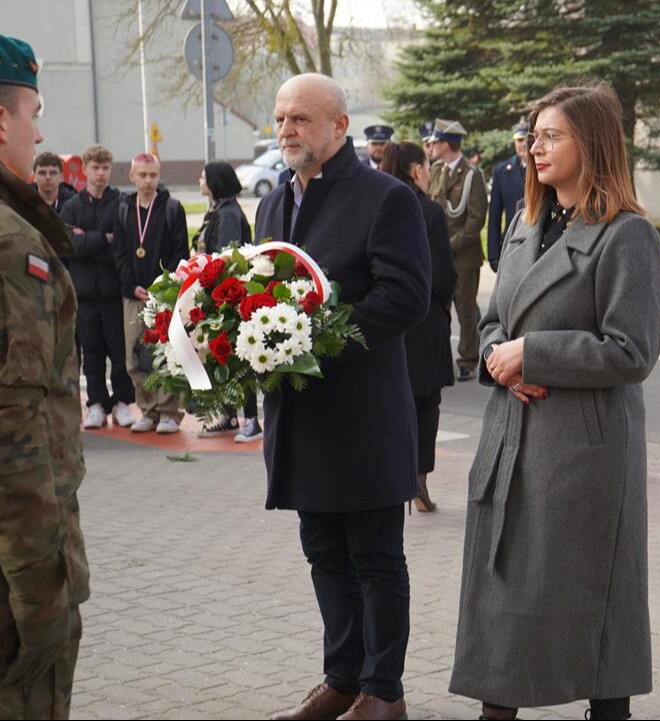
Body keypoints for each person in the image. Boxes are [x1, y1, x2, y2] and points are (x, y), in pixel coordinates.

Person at [449, 79, 660, 721]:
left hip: (582, 452)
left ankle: (609, 709)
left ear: (592, 143)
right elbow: (496, 318)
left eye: (550, 136)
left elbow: (632, 351)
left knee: (590, 598)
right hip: (510, 436)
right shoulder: (524, 222)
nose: (533, 148)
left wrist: (533, 353)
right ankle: (498, 708)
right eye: (533, 136)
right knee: (503, 591)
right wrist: (500, 358)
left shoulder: (627, 236)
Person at [256, 74, 429, 721]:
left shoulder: (386, 199)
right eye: (280, 119)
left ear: (339, 125)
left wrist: (319, 338)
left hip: (363, 414)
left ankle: (385, 691)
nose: (286, 130)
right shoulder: (275, 204)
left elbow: (406, 296)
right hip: (301, 418)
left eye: (300, 118)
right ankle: (342, 676)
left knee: (376, 556)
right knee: (323, 549)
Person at [0, 33, 89, 720]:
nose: (39, 131)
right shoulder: (12, 243)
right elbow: (14, 422)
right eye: (34, 112)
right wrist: (39, 587)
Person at [380, 140, 457, 513]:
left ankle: (391, 478)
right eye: (425, 165)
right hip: (423, 320)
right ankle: (419, 481)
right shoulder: (427, 211)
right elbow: (443, 274)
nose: (428, 172)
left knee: (392, 400)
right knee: (426, 402)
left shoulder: (375, 203)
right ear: (415, 170)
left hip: (386, 320)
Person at [111, 152, 188, 434]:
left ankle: (168, 411)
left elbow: (181, 252)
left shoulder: (171, 208)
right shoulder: (123, 209)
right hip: (133, 295)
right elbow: (119, 252)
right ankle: (147, 410)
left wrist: (163, 287)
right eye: (142, 175)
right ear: (132, 176)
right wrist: (131, 285)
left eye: (152, 175)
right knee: (135, 355)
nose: (147, 180)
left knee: (166, 353)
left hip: (163, 295)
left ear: (159, 174)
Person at [62, 144, 136, 430]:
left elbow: (121, 245)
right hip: (84, 294)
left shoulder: (120, 204)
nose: (101, 173)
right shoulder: (72, 206)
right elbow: (70, 246)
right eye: (96, 167)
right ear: (85, 169)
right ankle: (95, 404)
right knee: (91, 352)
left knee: (119, 352)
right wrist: (101, 239)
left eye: (105, 168)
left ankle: (121, 403)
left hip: (113, 292)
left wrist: (90, 241)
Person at [193, 161, 261, 442]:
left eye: (203, 177)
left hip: (230, 296)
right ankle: (230, 416)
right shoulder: (218, 210)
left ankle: (251, 421)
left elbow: (226, 256)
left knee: (238, 358)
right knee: (224, 356)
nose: (199, 181)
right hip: (217, 295)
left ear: (215, 182)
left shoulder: (229, 214)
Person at [427, 118, 487, 382]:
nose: (431, 146)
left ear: (446, 144)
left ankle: (467, 360)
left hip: (463, 255)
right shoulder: (437, 170)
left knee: (464, 308)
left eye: (436, 141)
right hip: (441, 254)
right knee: (440, 307)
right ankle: (441, 357)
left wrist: (451, 244)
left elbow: (476, 218)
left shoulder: (472, 175)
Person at [486, 121, 528, 273]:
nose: (523, 144)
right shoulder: (502, 171)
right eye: (519, 140)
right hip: (511, 243)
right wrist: (493, 254)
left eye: (527, 139)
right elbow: (494, 215)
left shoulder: (543, 167)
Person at [31, 151, 76, 216]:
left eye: (53, 173)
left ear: (61, 176)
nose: (48, 177)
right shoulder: (24, 200)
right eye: (42, 173)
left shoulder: (74, 203)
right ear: (34, 176)